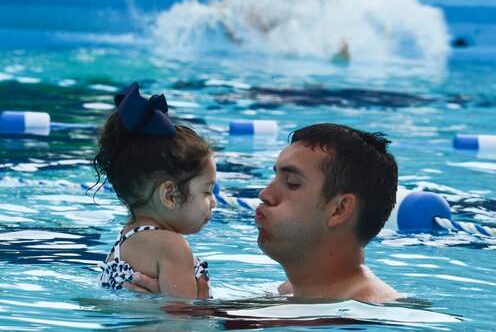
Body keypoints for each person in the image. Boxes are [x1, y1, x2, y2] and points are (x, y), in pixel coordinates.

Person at [130, 123, 399, 303]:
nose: (264, 194)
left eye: (292, 184)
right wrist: (176, 306)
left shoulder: (373, 312)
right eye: (274, 178)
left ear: (339, 209)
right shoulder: (286, 293)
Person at [93, 82, 217, 300]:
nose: (213, 202)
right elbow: (182, 322)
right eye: (207, 192)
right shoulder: (172, 247)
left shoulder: (124, 241)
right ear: (170, 195)